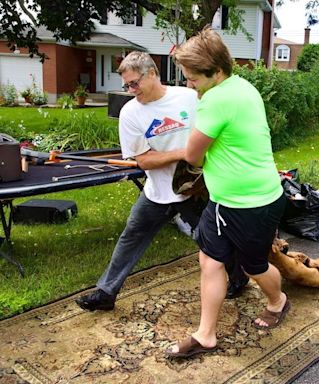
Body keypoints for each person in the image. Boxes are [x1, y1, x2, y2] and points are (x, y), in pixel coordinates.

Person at [75, 51, 246, 312]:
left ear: (153, 73)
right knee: (131, 236)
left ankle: (238, 278)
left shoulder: (189, 98)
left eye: (134, 83)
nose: (131, 90)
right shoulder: (130, 113)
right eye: (126, 86)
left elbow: (214, 132)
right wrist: (184, 153)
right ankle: (106, 293)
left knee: (210, 238)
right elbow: (143, 161)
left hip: (194, 189)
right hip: (157, 191)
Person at [165, 27, 289, 359]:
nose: (190, 85)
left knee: (253, 268)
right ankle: (205, 335)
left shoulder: (217, 99)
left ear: (216, 71)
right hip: (223, 202)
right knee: (210, 260)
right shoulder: (243, 85)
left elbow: (192, 156)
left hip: (254, 203)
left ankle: (278, 301)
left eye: (193, 79)